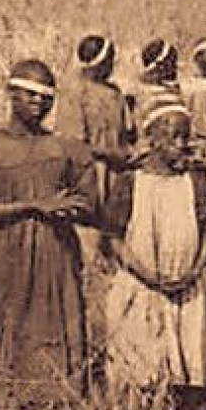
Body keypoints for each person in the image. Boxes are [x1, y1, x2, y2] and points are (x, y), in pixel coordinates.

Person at [0, 60, 98, 402]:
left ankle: (51, 406)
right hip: (0, 256)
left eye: (46, 96)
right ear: (10, 93)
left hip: (54, 256)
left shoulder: (65, 148)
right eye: (29, 94)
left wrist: (72, 206)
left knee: (51, 328)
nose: (38, 102)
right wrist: (31, 206)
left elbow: (89, 204)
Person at [100, 94, 206, 398]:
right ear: (151, 138)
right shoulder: (131, 182)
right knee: (143, 364)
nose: (181, 143)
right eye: (172, 136)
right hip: (143, 285)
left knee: (188, 357)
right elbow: (113, 238)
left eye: (185, 136)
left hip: (186, 286)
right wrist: (146, 274)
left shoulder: (194, 181)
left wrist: (194, 270)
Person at [57, 34, 133, 270]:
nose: (113, 65)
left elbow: (127, 131)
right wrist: (111, 154)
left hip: (116, 173)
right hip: (89, 172)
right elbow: (73, 143)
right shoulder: (75, 93)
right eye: (110, 60)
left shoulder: (115, 93)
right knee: (89, 235)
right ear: (98, 62)